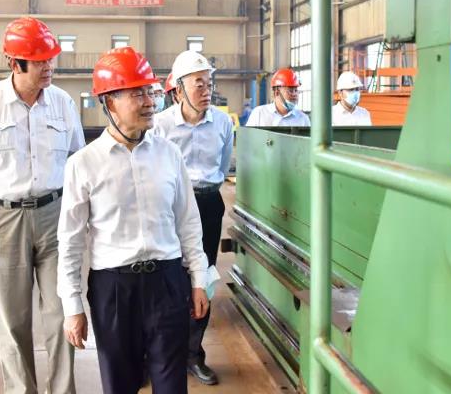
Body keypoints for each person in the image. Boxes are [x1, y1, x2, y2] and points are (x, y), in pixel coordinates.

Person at [57, 46, 209, 394]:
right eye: (137, 93)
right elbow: (71, 241)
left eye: (150, 92)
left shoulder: (169, 154)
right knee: (120, 384)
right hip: (113, 289)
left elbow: (188, 222)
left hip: (167, 282)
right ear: (110, 101)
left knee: (172, 385)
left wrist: (199, 279)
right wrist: (72, 305)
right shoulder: (83, 164)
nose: (150, 102)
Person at [0, 17, 84, 394]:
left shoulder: (62, 103)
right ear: (15, 63)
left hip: (55, 217)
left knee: (62, 312)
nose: (49, 67)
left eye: (51, 59)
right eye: (40, 61)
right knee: (12, 321)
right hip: (4, 220)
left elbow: (77, 161)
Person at [151, 50, 233, 386]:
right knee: (167, 277)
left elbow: (223, 166)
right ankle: (160, 354)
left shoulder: (223, 123)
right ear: (178, 89)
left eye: (208, 83)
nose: (206, 89)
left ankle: (193, 354)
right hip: (171, 208)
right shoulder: (160, 125)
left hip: (209, 203)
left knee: (204, 278)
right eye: (198, 83)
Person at [245, 68, 311, 127]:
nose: (294, 94)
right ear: (276, 92)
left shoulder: (303, 119)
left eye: (296, 90)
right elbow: (248, 136)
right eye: (290, 91)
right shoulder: (259, 114)